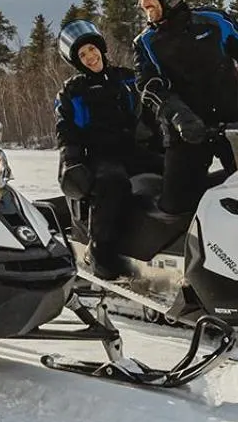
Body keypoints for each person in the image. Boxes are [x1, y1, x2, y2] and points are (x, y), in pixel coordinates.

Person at [114, 0, 238, 215]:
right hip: (186, 133)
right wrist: (178, 115)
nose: (142, 3)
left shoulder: (214, 21)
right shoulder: (146, 42)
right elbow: (150, 86)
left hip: (235, 127)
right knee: (175, 208)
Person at [53, 20, 161, 280]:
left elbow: (149, 111)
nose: (90, 57)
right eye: (82, 55)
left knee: (177, 173)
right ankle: (101, 253)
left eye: (91, 50)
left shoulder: (126, 78)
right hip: (100, 155)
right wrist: (71, 159)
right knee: (112, 183)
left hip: (135, 150)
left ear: (100, 48)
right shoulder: (73, 90)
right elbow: (65, 128)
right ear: (77, 61)